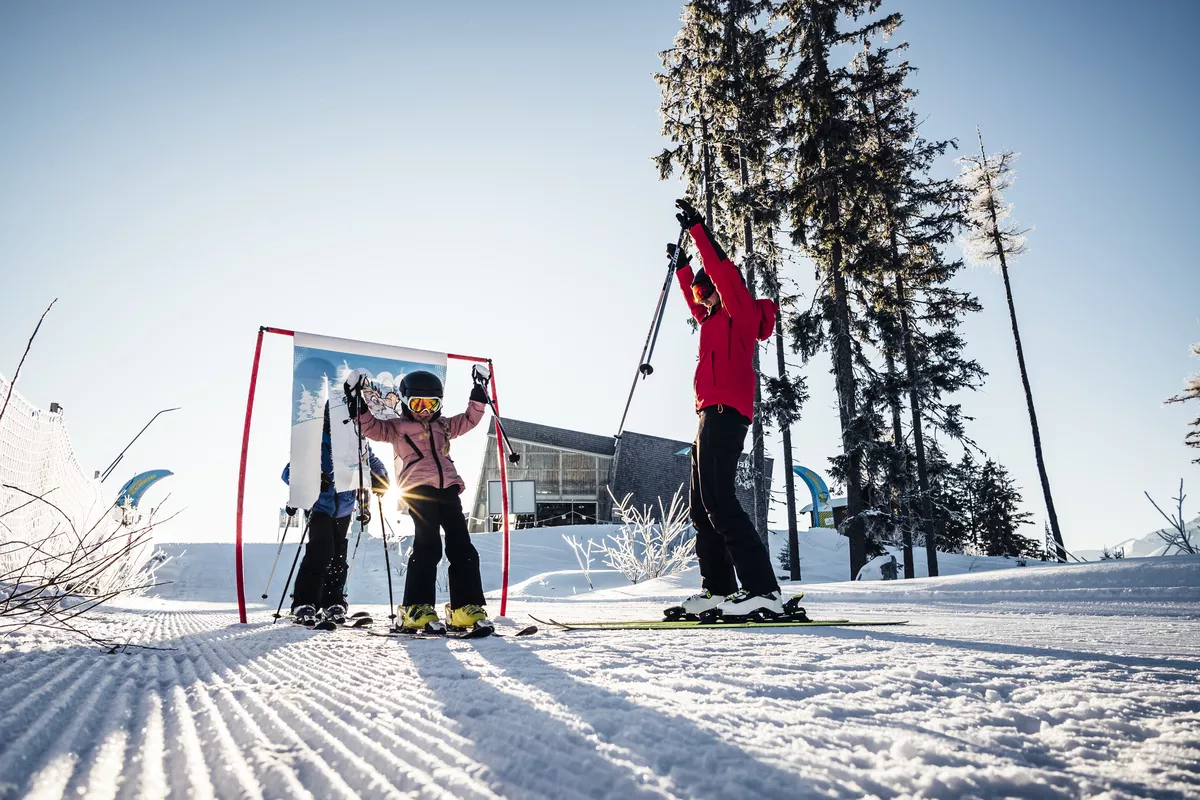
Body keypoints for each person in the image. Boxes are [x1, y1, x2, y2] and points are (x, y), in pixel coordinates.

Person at [668, 197, 784, 620]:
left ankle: (764, 591)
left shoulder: (740, 313)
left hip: (726, 413)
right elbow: (694, 301)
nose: (702, 298)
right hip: (705, 416)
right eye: (699, 292)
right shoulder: (713, 318)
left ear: (720, 289)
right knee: (702, 505)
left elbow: (725, 273)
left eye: (706, 289)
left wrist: (700, 232)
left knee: (721, 500)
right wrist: (683, 269)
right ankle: (717, 589)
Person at [345, 365, 491, 632]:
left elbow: (470, 419)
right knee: (429, 544)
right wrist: (357, 403)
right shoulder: (397, 428)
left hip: (448, 489)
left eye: (431, 404)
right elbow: (371, 428)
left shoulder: (444, 426)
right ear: (404, 402)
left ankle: (464, 607)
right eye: (418, 403)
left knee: (463, 547)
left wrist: (479, 390)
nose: (424, 410)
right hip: (418, 490)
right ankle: (416, 607)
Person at [283, 402, 389, 626]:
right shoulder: (314, 441)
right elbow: (289, 472)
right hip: (319, 505)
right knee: (321, 550)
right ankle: (304, 602)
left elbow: (372, 462)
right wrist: (311, 478)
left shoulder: (356, 441)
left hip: (344, 506)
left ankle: (333, 601)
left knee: (339, 553)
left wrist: (380, 478)